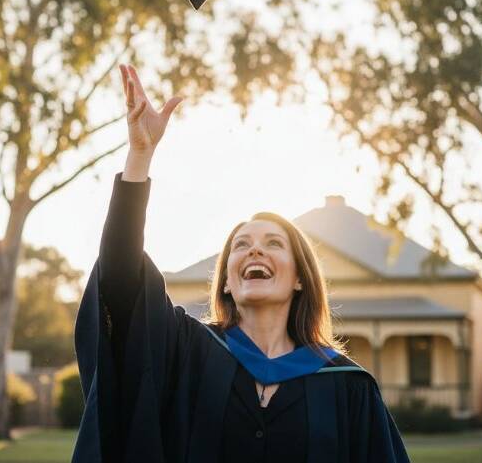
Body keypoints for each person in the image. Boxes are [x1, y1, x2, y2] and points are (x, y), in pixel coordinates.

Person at [71, 64, 410, 463]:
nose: (254, 251)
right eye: (241, 245)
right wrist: (139, 158)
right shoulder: (190, 352)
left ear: (300, 278)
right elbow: (122, 283)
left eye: (273, 244)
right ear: (227, 282)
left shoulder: (347, 386)